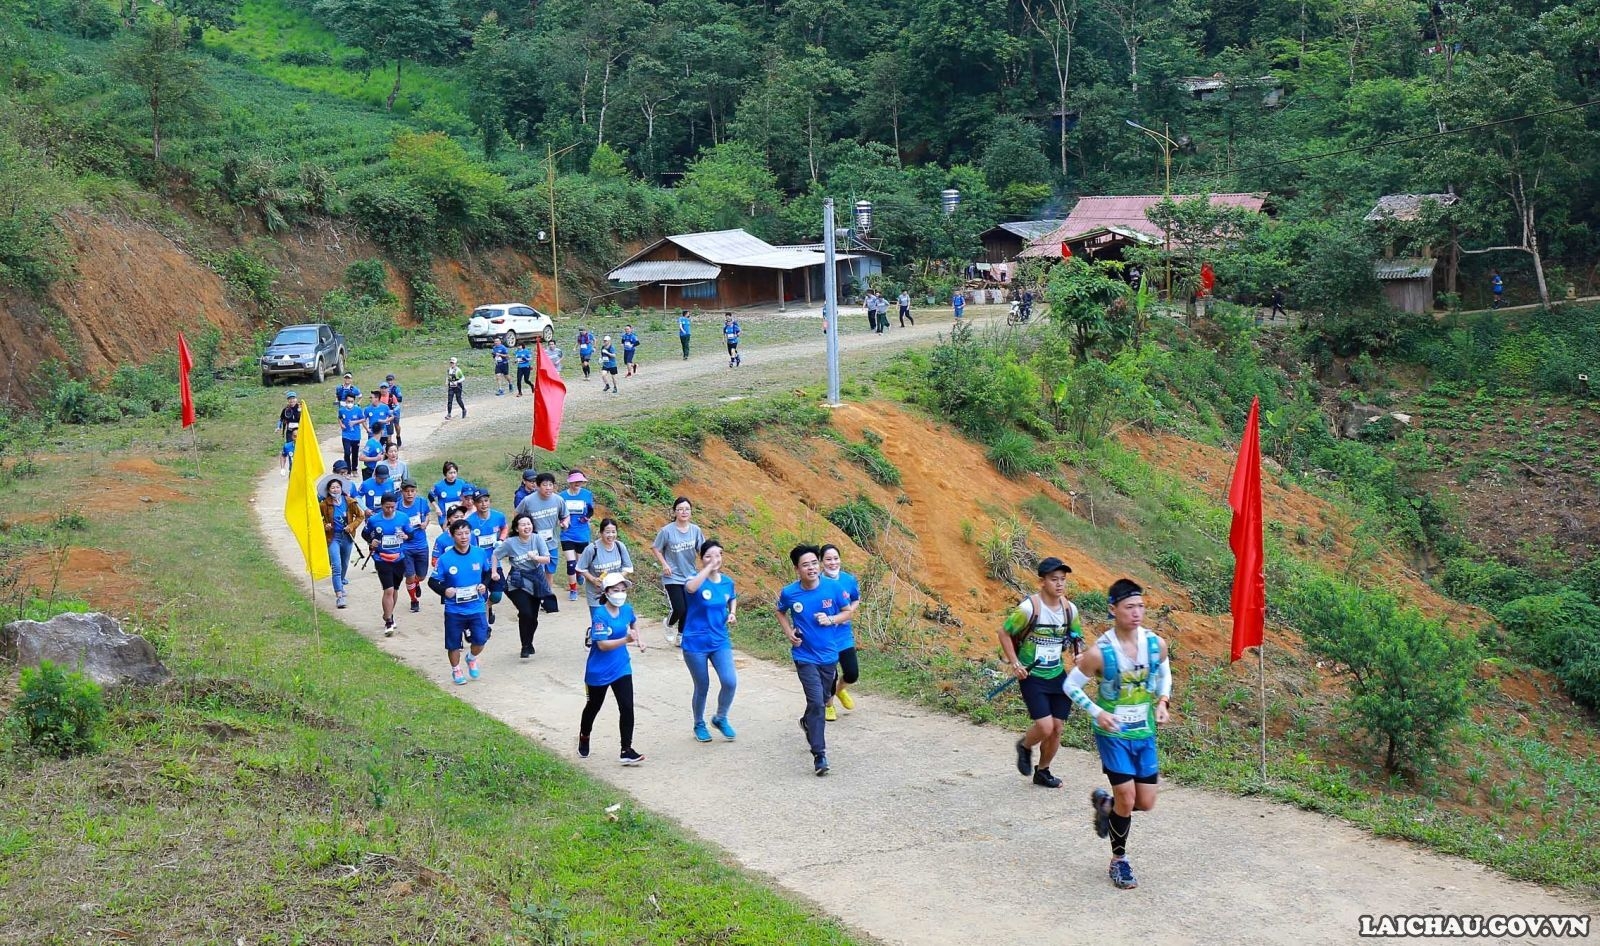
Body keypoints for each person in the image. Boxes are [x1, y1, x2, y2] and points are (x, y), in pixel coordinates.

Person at [1063, 578, 1171, 890]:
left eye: (1140, 606)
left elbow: (1165, 675)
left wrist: (1163, 701)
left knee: (1145, 802)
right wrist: (1099, 712)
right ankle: (1119, 860)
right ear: (1113, 610)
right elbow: (1070, 686)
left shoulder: (1155, 645)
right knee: (1128, 796)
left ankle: (1107, 806)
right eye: (1129, 607)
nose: (1136, 613)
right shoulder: (1101, 652)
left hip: (1144, 733)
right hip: (1113, 736)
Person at [998, 556, 1085, 789]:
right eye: (1054, 579)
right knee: (1045, 726)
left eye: (1063, 580)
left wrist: (1078, 653)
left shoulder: (1069, 609)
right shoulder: (1029, 608)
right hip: (1032, 675)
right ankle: (1025, 746)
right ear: (1042, 582)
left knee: (1057, 728)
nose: (1059, 584)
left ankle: (1043, 771)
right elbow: (1004, 633)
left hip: (1057, 675)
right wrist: (1015, 663)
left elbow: (1076, 636)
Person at [776, 544, 845, 776]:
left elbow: (848, 611)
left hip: (829, 656)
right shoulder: (790, 593)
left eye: (815, 563)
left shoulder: (833, 588)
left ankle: (807, 722)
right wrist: (789, 633)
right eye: (806, 565)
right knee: (817, 702)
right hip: (804, 656)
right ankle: (820, 755)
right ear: (797, 569)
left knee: (824, 698)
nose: (812, 568)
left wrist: (832, 619)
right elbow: (780, 612)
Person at [579, 572, 645, 765]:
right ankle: (584, 735)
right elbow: (602, 645)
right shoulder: (600, 615)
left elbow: (633, 621)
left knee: (627, 707)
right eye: (616, 590)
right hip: (598, 672)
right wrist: (626, 639)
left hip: (621, 667)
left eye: (623, 590)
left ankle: (626, 749)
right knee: (593, 707)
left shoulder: (627, 609)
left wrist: (639, 639)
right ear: (606, 592)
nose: (620, 594)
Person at [682, 539, 738, 742]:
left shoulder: (727, 582)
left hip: (719, 640)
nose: (715, 559)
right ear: (701, 559)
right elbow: (690, 589)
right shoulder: (694, 579)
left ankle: (720, 717)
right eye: (709, 556)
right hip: (695, 643)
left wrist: (732, 612)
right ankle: (699, 723)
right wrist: (707, 569)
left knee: (730, 681)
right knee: (702, 685)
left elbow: (731, 596)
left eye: (719, 555)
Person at [428, 518, 495, 685]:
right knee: (453, 644)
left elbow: (487, 573)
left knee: (481, 639)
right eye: (459, 534)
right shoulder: (445, 559)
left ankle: (471, 658)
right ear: (452, 535)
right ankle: (456, 670)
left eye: (467, 533)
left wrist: (483, 585)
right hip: (454, 610)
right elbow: (432, 581)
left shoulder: (479, 553)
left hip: (477, 607)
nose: (464, 537)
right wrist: (445, 591)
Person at [496, 513, 553, 658]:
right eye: (523, 524)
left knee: (533, 617)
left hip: (535, 580)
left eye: (529, 524)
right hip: (517, 582)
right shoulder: (510, 542)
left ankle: (529, 642)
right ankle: (525, 646)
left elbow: (546, 559)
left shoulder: (537, 538)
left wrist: (535, 557)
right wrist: (493, 572)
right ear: (516, 528)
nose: (526, 527)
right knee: (525, 612)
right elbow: (495, 555)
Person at [651, 497, 705, 647]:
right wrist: (664, 564)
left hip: (690, 576)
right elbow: (656, 548)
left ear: (691, 512)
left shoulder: (696, 530)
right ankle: (668, 624)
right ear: (675, 511)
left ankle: (681, 636)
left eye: (687, 509)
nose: (684, 512)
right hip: (672, 576)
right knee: (679, 607)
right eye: (680, 509)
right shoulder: (667, 531)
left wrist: (708, 564)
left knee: (688, 608)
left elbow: (702, 550)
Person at [819, 544, 862, 722]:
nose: (833, 562)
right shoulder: (817, 583)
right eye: (828, 559)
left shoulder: (848, 580)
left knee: (852, 673)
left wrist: (848, 613)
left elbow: (856, 599)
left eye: (836, 558)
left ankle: (839, 690)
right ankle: (828, 706)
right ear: (821, 562)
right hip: (824, 636)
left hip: (844, 635)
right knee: (830, 674)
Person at [514, 472, 570, 609]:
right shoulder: (528, 501)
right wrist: (524, 530)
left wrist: (565, 523)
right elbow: (517, 515)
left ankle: (546, 597)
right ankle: (533, 598)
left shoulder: (558, 500)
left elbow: (566, 516)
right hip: (533, 544)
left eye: (551, 485)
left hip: (551, 542)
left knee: (550, 571)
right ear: (537, 486)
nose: (548, 488)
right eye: (545, 485)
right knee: (535, 571)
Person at [363, 491, 411, 635]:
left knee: (395, 590)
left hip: (399, 558)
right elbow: (365, 533)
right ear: (381, 506)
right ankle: (388, 622)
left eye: (392, 507)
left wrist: (406, 535)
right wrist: (371, 542)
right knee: (388, 590)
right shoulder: (374, 520)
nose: (390, 510)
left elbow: (411, 533)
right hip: (381, 558)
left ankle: (389, 614)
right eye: (387, 507)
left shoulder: (403, 518)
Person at [320, 475, 365, 610]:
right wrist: (325, 525)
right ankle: (339, 595)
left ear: (341, 489)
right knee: (336, 566)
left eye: (337, 487)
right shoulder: (323, 504)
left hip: (347, 537)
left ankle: (340, 583)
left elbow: (361, 516)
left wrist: (351, 526)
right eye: (332, 487)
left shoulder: (350, 502)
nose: (335, 490)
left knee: (345, 563)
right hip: (333, 537)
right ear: (328, 490)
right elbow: (316, 519)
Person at [576, 518, 634, 618]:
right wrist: (593, 580)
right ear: (601, 532)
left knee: (615, 623)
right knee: (599, 623)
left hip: (615, 593)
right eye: (607, 532)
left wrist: (616, 578)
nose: (611, 535)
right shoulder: (592, 548)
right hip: (596, 593)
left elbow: (628, 567)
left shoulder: (620, 546)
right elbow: (581, 568)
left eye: (613, 532)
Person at [396, 478, 431, 615]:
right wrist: (400, 533)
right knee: (409, 575)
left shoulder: (422, 502)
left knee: (421, 576)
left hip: (421, 544)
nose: (410, 494)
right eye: (407, 491)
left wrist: (426, 523)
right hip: (405, 547)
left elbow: (428, 514)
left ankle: (416, 583)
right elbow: (394, 523)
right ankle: (414, 600)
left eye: (412, 491)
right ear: (402, 492)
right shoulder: (398, 506)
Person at [560, 471, 596, 601]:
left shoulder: (587, 494)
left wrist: (586, 518)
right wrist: (562, 522)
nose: (578, 484)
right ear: (570, 482)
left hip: (582, 533)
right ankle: (573, 589)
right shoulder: (562, 496)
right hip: (567, 533)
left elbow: (591, 510)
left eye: (580, 481)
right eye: (575, 481)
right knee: (571, 563)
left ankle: (579, 573)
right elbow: (559, 513)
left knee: (580, 564)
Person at [432, 504, 468, 569]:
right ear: (449, 519)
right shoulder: (441, 539)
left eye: (462, 517)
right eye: (456, 517)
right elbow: (435, 561)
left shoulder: (471, 536)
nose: (459, 519)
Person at [338, 392, 366, 473]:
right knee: (347, 453)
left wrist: (355, 422)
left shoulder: (358, 409)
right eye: (348, 401)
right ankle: (348, 470)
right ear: (345, 401)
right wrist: (341, 424)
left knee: (355, 453)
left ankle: (354, 469)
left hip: (356, 435)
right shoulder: (342, 410)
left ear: (354, 401)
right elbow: (339, 418)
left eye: (352, 402)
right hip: (346, 435)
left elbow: (363, 419)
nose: (350, 403)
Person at [276, 392, 302, 476]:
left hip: (300, 432)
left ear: (296, 399)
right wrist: (278, 427)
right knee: (290, 449)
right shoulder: (286, 410)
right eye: (290, 399)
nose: (292, 400)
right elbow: (281, 419)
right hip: (290, 432)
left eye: (293, 398)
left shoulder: (301, 407)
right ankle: (292, 468)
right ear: (288, 400)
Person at [382, 375, 404, 447]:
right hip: (387, 410)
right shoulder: (384, 388)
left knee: (396, 425)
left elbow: (400, 398)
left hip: (394, 409)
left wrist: (392, 399)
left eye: (391, 380)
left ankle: (398, 436)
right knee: (388, 426)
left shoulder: (396, 388)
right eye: (388, 380)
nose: (389, 382)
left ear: (393, 380)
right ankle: (388, 442)